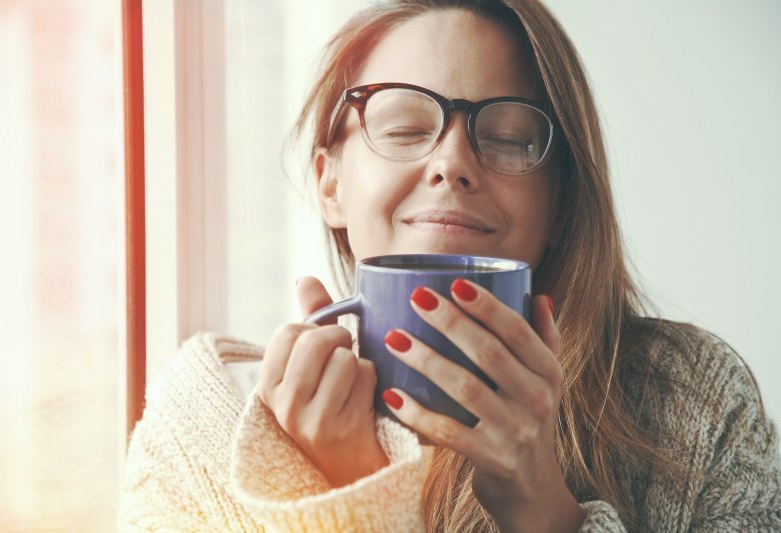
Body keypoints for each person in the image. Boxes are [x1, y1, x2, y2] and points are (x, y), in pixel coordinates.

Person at [120, 0, 781, 531]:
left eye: (508, 139)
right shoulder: (206, 428)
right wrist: (354, 498)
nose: (453, 162)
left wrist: (545, 514)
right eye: (405, 127)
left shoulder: (695, 403)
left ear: (559, 201)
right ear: (330, 184)